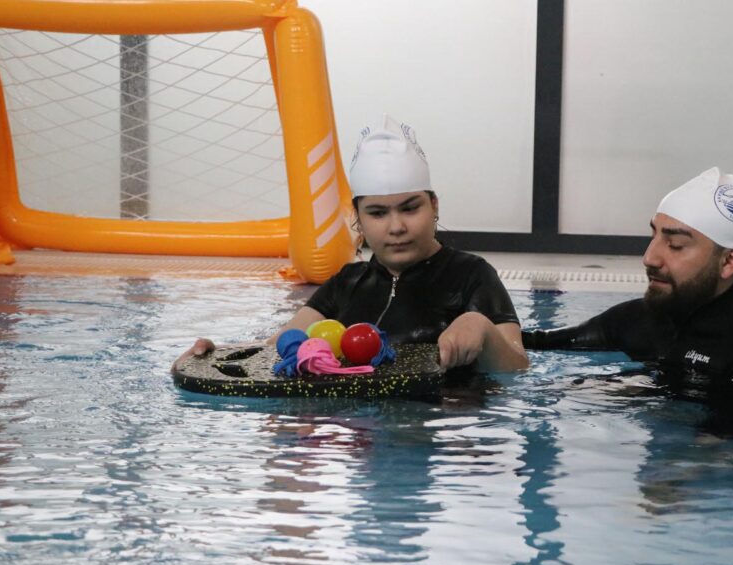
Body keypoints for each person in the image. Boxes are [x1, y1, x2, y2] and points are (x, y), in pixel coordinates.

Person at [178, 115, 528, 372]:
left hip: (441, 424)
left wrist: (482, 329)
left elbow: (518, 366)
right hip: (354, 433)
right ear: (358, 217)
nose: (396, 227)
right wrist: (216, 355)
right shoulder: (346, 283)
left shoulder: (472, 275)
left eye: (410, 208)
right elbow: (278, 348)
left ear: (434, 205)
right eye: (378, 213)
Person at [523, 167, 733, 384]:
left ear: (729, 261)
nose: (649, 258)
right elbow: (538, 343)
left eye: (675, 245)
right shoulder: (639, 319)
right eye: (654, 236)